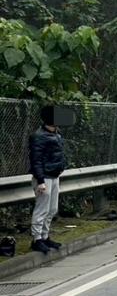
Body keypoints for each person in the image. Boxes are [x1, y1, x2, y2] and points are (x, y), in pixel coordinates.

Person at [28, 107, 67, 254]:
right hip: (44, 177)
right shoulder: (38, 136)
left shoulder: (56, 134)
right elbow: (35, 160)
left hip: (54, 175)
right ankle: (37, 239)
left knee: (52, 209)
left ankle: (45, 236)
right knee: (42, 209)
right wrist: (40, 180)